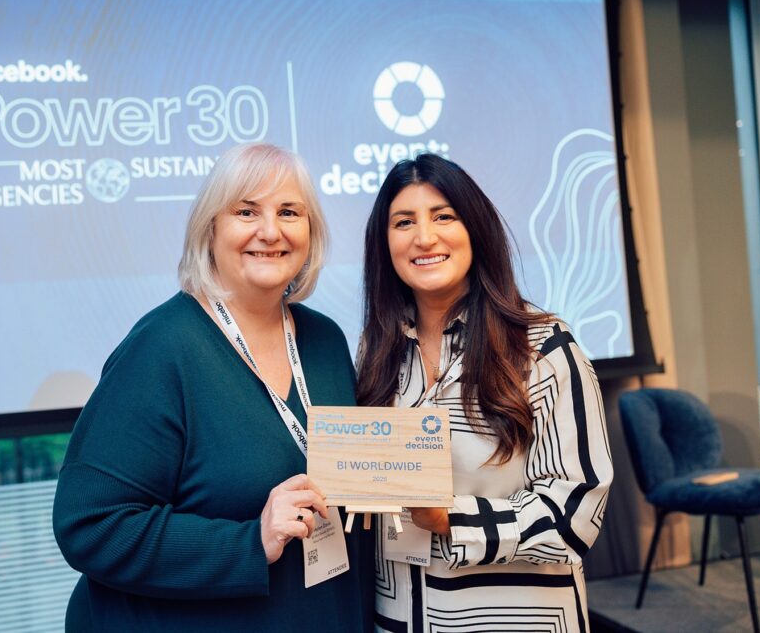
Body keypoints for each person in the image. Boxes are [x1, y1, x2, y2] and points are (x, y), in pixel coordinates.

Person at [53, 143, 373, 632]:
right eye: (246, 211)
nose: (270, 231)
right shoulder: (162, 348)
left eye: (289, 212)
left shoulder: (325, 340)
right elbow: (90, 524)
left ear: (311, 232)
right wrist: (248, 542)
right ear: (211, 229)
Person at [356, 154, 612, 632]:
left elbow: (577, 513)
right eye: (403, 222)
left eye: (444, 216)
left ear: (475, 228)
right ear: (384, 242)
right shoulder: (376, 354)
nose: (424, 237)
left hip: (514, 618)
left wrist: (452, 518)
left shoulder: (542, 346)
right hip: (399, 618)